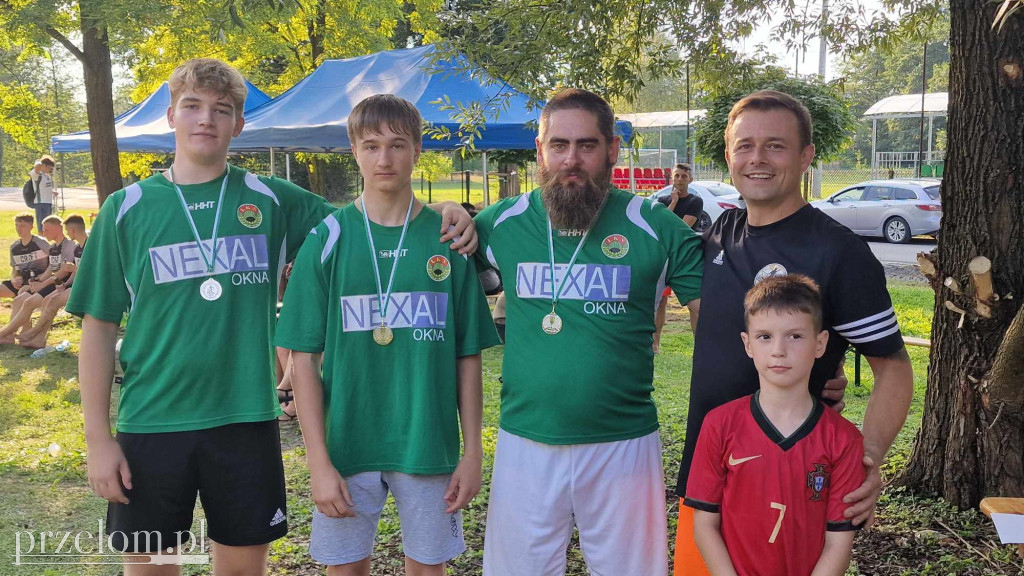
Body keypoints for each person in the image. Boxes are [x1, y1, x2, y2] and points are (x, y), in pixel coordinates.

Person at [65, 58, 477, 576]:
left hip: (246, 420)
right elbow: (98, 330)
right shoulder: (125, 210)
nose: (206, 120)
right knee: (148, 568)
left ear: (239, 124)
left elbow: (374, 222)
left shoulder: (272, 199)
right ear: (170, 115)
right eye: (192, 106)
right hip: (151, 420)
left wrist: (445, 211)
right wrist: (99, 439)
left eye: (222, 110)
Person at [674, 90, 914, 576]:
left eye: (775, 146)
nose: (757, 159)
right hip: (709, 486)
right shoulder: (721, 231)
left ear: (807, 156)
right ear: (727, 155)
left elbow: (893, 369)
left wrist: (866, 457)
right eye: (744, 146)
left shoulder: (840, 252)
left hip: (797, 486)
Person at [474, 88, 704, 576]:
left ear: (613, 149)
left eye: (586, 145)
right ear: (540, 150)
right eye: (558, 145)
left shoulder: (657, 226)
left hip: (624, 444)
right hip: (525, 442)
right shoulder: (500, 224)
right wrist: (442, 211)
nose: (571, 160)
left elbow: (720, 330)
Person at [275, 94, 500, 576]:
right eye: (371, 145)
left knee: (428, 568)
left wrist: (473, 450)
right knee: (344, 569)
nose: (384, 158)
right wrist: (317, 461)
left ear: (418, 151)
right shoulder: (328, 240)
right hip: (347, 446)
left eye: (398, 145)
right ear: (353, 150)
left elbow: (467, 356)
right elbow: (304, 360)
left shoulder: (449, 240)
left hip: (427, 442)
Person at [685, 274, 864, 576]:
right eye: (765, 336)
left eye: (795, 336)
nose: (779, 350)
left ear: (820, 343)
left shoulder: (843, 439)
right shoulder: (719, 425)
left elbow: (839, 543)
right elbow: (704, 526)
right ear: (748, 344)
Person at [16, 214, 90, 349]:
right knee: (48, 300)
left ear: (73, 230)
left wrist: (73, 270)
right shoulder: (77, 247)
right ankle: (36, 337)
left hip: (88, 286)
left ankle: (32, 333)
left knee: (52, 301)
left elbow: (93, 271)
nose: (67, 233)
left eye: (67, 230)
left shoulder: (90, 246)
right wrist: (64, 284)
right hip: (74, 284)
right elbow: (72, 271)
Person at [0, 214, 76, 344]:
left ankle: (7, 333)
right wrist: (37, 282)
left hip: (62, 284)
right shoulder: (53, 247)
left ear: (59, 229)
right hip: (48, 282)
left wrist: (42, 284)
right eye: (43, 229)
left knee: (34, 301)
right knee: (19, 300)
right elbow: (52, 268)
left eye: (46, 230)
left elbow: (63, 271)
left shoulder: (67, 245)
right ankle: (14, 335)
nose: (43, 233)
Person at [653, 163, 703, 352]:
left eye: (684, 176)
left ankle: (699, 344)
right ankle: (655, 343)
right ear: (672, 179)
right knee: (660, 302)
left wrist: (672, 206)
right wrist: (672, 202)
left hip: (686, 258)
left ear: (690, 179)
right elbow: (658, 228)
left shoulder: (695, 202)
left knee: (693, 303)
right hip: (663, 256)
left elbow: (681, 228)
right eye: (677, 176)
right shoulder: (662, 200)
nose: (680, 180)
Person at [0, 213, 49, 299]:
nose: (18, 229)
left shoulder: (41, 243)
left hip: (38, 282)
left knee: (21, 294)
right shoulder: (14, 247)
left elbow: (54, 262)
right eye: (16, 225)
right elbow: (15, 269)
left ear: (31, 227)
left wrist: (43, 277)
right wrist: (13, 279)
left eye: (23, 226)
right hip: (21, 283)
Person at [29, 156, 56, 231]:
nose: (50, 170)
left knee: (48, 224)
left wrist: (53, 192)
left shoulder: (47, 176)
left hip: (48, 202)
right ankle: (41, 238)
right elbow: (37, 167)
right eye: (49, 167)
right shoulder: (37, 174)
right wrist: (39, 161)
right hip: (41, 203)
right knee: (42, 226)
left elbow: (45, 187)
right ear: (43, 165)